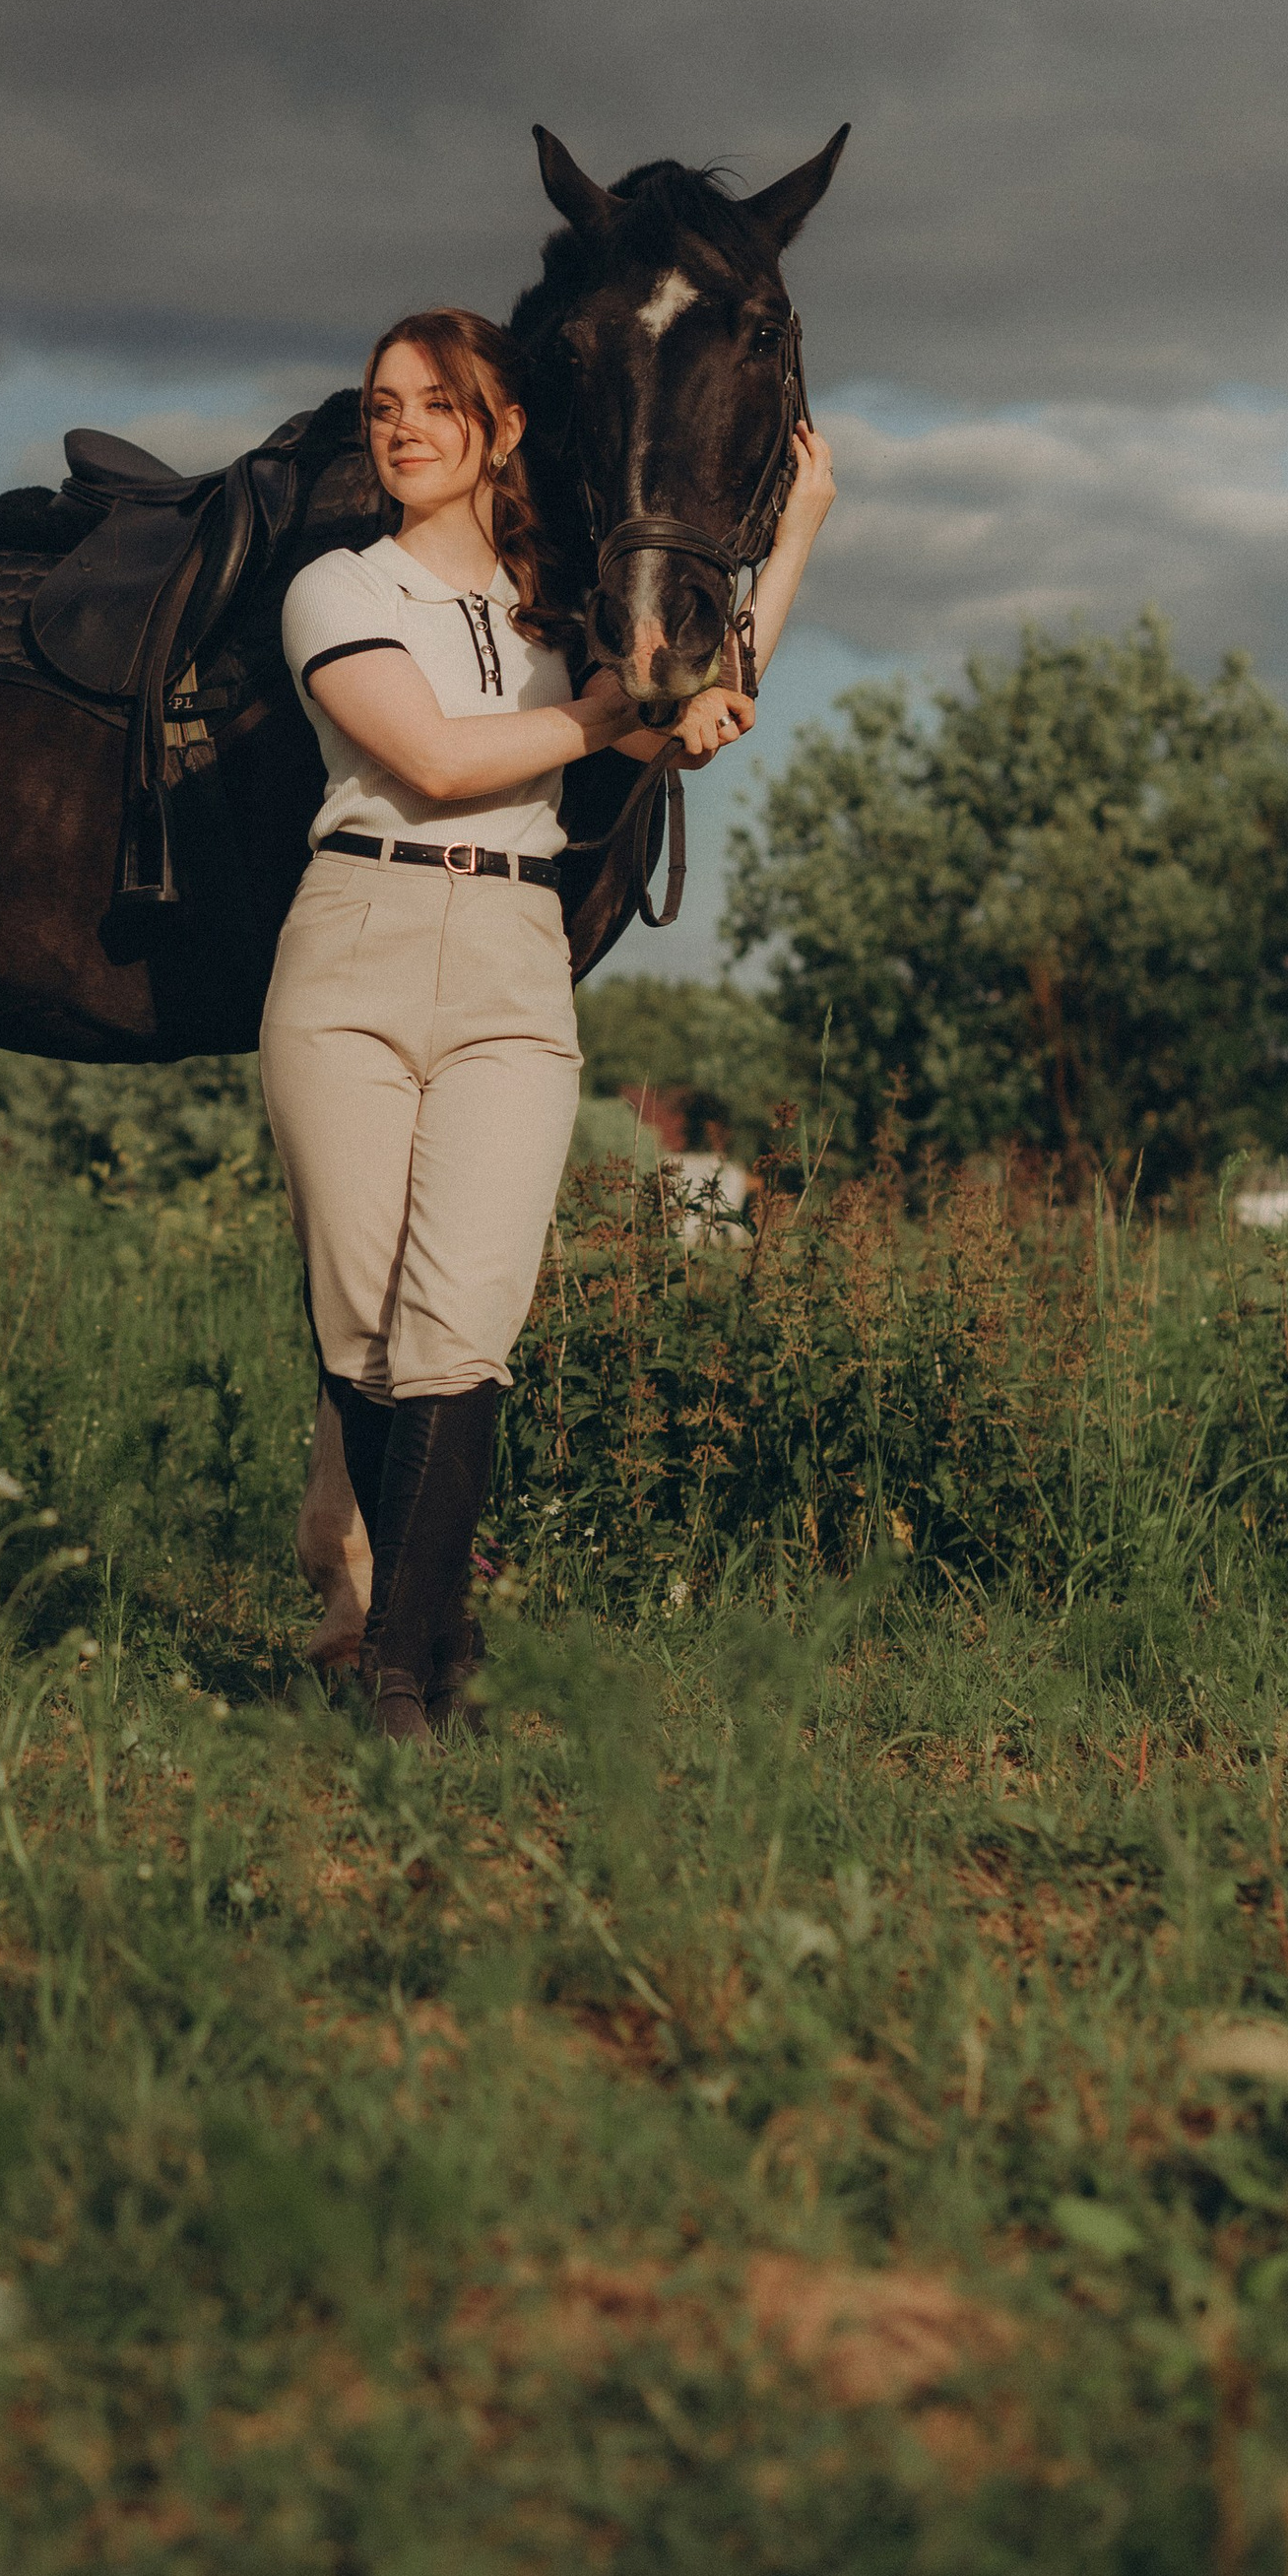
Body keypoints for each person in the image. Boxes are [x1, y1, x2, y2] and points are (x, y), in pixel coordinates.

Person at [262, 306, 835, 1740]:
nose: (403, 427)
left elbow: (693, 704)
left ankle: (402, 1675)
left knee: (463, 1321)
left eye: (437, 403)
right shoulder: (335, 587)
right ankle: (423, 1654)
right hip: (354, 945)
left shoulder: (561, 612)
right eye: (383, 404)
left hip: (514, 960)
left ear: (502, 428)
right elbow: (437, 760)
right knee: (364, 1316)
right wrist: (612, 713)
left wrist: (793, 543)